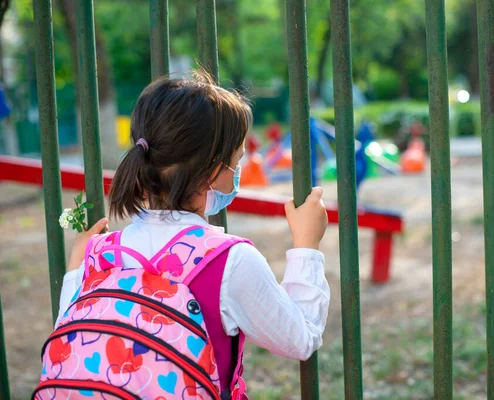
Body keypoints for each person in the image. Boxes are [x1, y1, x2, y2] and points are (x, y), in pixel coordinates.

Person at [35, 71, 329, 400]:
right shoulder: (228, 261)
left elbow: (68, 343)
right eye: (237, 160)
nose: (238, 170)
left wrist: (76, 273)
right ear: (214, 172)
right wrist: (306, 246)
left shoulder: (98, 255)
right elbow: (299, 339)